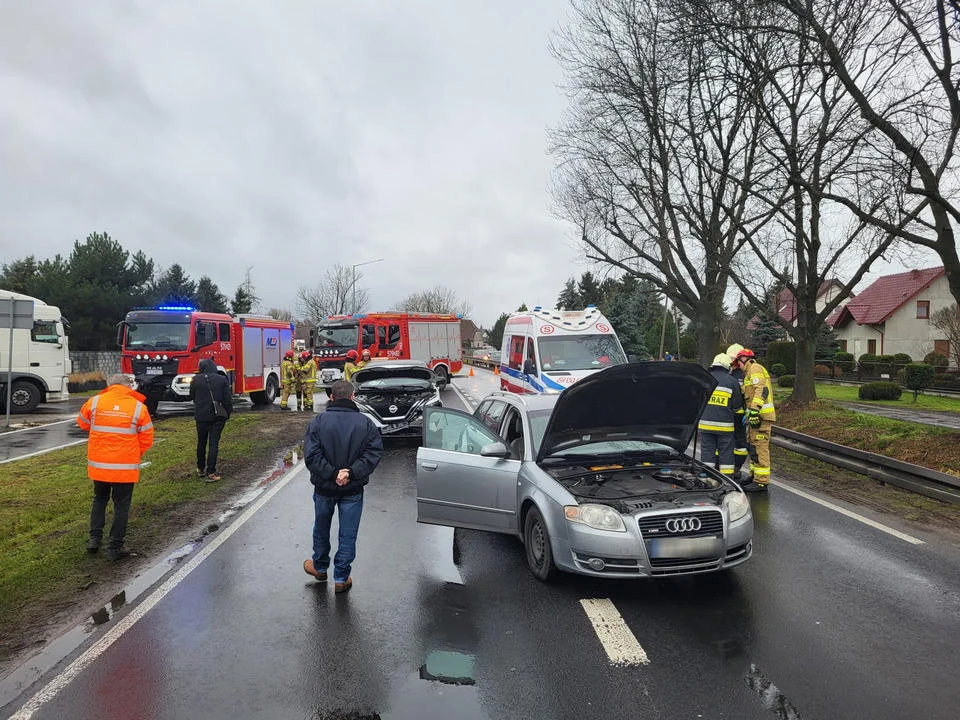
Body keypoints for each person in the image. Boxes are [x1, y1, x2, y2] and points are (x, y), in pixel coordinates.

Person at [302, 380, 383, 593]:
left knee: (321, 527)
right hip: (352, 489)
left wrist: (332, 473)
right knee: (348, 533)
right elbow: (373, 453)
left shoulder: (318, 422)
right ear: (352, 397)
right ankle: (341, 577)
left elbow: (311, 455)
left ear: (331, 397)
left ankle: (319, 567)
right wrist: (350, 472)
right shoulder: (365, 424)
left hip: (324, 488)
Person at [77, 374, 154, 560]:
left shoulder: (95, 402)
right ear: (129, 386)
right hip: (124, 466)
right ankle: (115, 547)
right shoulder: (138, 407)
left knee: (99, 499)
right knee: (121, 506)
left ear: (109, 385)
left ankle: (94, 539)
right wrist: (134, 454)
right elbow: (147, 438)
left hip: (99, 464)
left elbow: (83, 423)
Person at [731, 347, 776, 492]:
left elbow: (761, 390)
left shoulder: (755, 368)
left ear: (743, 359)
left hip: (761, 417)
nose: (739, 366)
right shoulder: (748, 373)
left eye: (739, 363)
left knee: (760, 448)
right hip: (755, 417)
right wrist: (749, 413)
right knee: (753, 447)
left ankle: (761, 482)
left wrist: (755, 411)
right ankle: (754, 475)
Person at [698, 353, 743, 478]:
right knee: (726, 453)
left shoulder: (705, 379)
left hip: (706, 425)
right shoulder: (732, 381)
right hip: (725, 426)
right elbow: (737, 405)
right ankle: (727, 480)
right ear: (727, 366)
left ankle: (707, 478)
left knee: (707, 452)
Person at [189, 358, 233, 481]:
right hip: (217, 417)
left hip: (201, 416)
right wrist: (227, 413)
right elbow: (227, 400)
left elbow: (191, 396)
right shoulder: (222, 379)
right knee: (213, 444)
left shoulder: (195, 380)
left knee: (201, 442)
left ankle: (200, 468)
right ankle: (211, 472)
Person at [726, 344, 751, 480]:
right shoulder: (744, 374)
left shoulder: (733, 375)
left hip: (734, 414)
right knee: (737, 442)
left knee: (732, 442)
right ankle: (734, 467)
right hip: (738, 415)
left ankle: (732, 467)